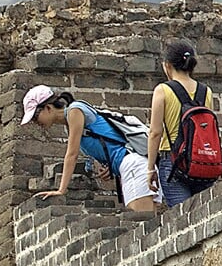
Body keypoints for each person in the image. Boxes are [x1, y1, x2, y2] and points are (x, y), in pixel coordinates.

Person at [21, 85, 161, 212]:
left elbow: (72, 154)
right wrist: (109, 168)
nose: (35, 123)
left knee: (142, 222)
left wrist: (61, 190)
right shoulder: (71, 120)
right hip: (133, 168)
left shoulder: (74, 111)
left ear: (48, 108)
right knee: (148, 224)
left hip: (134, 167)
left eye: (35, 117)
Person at [147, 41, 215, 206]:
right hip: (202, 159)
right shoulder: (206, 91)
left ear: (167, 65)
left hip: (173, 160)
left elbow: (155, 132)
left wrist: (150, 169)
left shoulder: (162, 90)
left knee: (181, 218)